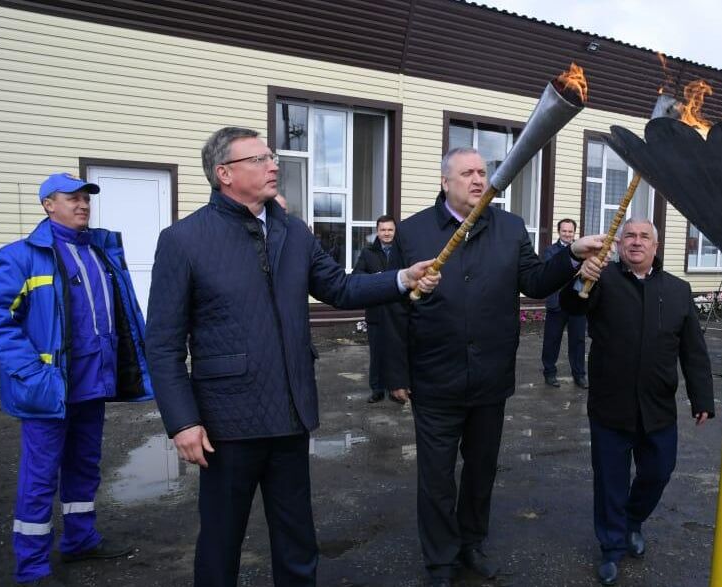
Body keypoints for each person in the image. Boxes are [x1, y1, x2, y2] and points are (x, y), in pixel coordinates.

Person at [145, 127, 440, 587]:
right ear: (224, 173)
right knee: (222, 543)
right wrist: (183, 421)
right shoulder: (184, 240)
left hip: (290, 415)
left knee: (297, 541)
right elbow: (162, 342)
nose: (273, 165)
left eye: (271, 156)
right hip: (226, 423)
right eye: (259, 159)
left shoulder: (292, 231)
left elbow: (339, 288)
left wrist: (400, 279)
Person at [382, 147, 605, 586]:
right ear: (445, 181)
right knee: (437, 478)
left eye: (483, 172)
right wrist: (395, 374)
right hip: (434, 378)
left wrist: (572, 255)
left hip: (490, 378)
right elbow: (393, 310)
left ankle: (471, 543)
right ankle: (441, 561)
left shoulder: (509, 227)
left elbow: (536, 281)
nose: (479, 179)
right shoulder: (413, 232)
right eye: (467, 173)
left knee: (481, 470)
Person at [0, 172, 154, 585]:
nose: (82, 205)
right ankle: (32, 568)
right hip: (49, 390)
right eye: (72, 198)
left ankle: (80, 540)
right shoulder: (22, 256)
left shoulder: (100, 252)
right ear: (48, 205)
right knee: (40, 478)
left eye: (86, 199)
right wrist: (29, 370)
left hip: (92, 386)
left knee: (84, 467)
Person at [561, 217, 714, 586]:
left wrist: (701, 398)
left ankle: (632, 521)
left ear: (656, 247)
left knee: (659, 471)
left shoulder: (678, 290)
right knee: (610, 480)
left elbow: (693, 350)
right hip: (610, 405)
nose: (636, 242)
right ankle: (612, 548)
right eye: (629, 235)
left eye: (645, 237)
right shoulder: (601, 280)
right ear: (617, 245)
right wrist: (584, 274)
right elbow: (573, 305)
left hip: (658, 406)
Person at [353, 215, 403, 403]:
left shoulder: (402, 251)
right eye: (383, 230)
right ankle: (377, 389)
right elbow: (357, 274)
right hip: (376, 310)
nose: (387, 233)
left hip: (398, 311)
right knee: (377, 352)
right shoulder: (368, 253)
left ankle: (395, 388)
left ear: (394, 231)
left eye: (390, 229)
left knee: (396, 350)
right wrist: (376, 278)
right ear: (377, 231)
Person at [541, 218, 588, 389]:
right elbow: (551, 273)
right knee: (552, 340)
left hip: (577, 303)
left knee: (578, 341)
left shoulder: (585, 251)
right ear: (559, 231)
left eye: (570, 231)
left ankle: (579, 375)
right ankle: (549, 373)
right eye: (564, 231)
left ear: (574, 232)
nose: (567, 234)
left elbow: (586, 273)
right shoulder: (550, 251)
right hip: (557, 303)